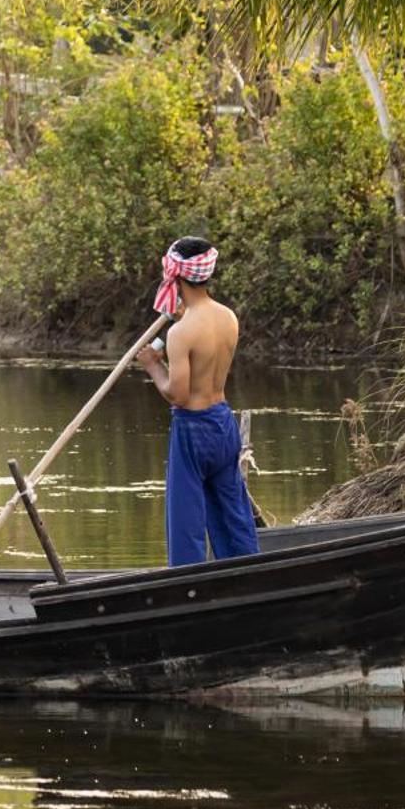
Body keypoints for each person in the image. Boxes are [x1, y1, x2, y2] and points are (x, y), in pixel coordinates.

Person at [135, 237, 260, 567]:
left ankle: (186, 584)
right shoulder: (228, 318)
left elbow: (177, 394)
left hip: (194, 429)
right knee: (232, 509)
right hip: (223, 421)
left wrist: (152, 365)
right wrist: (180, 322)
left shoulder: (181, 333)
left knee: (185, 516)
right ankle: (248, 572)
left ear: (176, 276)